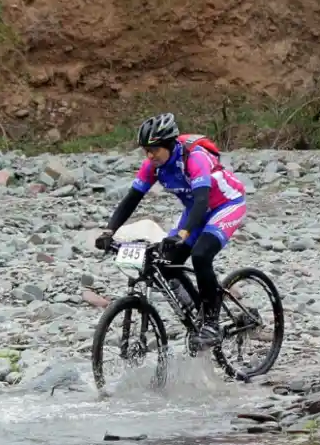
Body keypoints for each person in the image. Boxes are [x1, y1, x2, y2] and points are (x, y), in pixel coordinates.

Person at [95, 113, 246, 345]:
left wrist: (183, 234)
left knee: (200, 254)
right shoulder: (152, 166)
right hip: (195, 208)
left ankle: (212, 323)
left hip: (225, 204)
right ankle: (199, 312)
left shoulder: (194, 158)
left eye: (153, 149)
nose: (149, 155)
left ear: (168, 144)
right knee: (166, 263)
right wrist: (109, 232)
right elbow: (132, 198)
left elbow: (202, 200)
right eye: (145, 150)